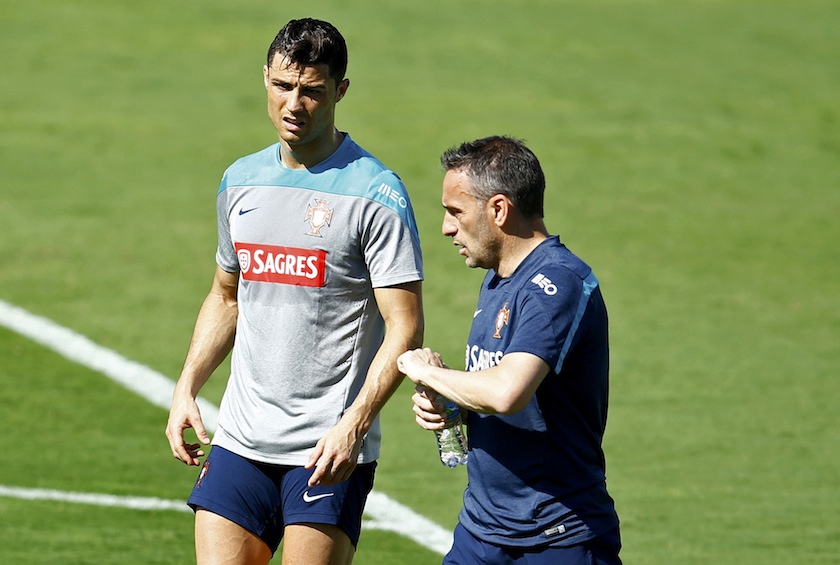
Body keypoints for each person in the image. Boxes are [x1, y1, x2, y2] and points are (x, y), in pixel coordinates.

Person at [165, 18, 424, 565]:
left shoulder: (376, 194)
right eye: (284, 86)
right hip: (240, 440)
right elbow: (226, 296)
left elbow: (405, 327)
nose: (294, 104)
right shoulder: (240, 181)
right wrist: (187, 386)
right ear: (265, 78)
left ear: (340, 91)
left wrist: (354, 426)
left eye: (312, 90)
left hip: (326, 449)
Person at [397, 136, 621, 564]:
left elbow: (507, 392)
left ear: (498, 209)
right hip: (483, 533)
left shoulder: (556, 285)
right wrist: (455, 404)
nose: (446, 227)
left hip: (557, 539)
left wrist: (427, 372)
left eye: (455, 212)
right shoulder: (499, 279)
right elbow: (514, 399)